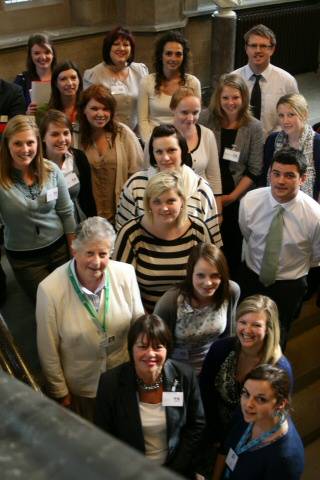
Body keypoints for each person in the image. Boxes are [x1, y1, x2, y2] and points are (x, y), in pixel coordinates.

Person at [36, 216, 144, 421]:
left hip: (122, 376)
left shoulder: (126, 274)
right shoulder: (49, 290)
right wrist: (60, 391)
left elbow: (138, 326)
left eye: (103, 254)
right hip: (82, 387)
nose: (96, 262)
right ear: (74, 251)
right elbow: (47, 348)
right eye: (89, 253)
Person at [95, 313, 205, 477]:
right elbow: (103, 435)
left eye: (158, 346)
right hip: (128, 471)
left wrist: (174, 469)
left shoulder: (185, 376)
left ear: (167, 349)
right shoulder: (110, 383)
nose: (151, 354)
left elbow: (196, 424)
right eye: (143, 346)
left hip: (175, 469)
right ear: (131, 349)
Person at [237, 147, 320, 348]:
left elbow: (316, 257)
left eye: (289, 175)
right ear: (269, 174)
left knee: (278, 334)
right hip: (252, 276)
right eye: (276, 174)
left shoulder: (315, 216)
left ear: (302, 178)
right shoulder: (250, 201)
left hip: (289, 285)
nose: (280, 181)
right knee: (246, 329)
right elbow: (247, 234)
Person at [199, 295, 293, 445]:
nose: (247, 330)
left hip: (248, 437)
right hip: (211, 426)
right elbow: (204, 389)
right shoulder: (221, 348)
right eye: (243, 322)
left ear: (269, 329)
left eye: (256, 325)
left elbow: (276, 413)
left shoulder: (280, 368)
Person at [0, 115, 75, 302]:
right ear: (7, 145)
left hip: (60, 250)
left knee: (69, 299)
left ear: (37, 144)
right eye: (18, 144)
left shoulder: (51, 171)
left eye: (30, 143)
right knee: (46, 304)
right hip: (26, 259)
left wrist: (73, 249)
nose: (25, 150)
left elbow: (66, 213)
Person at [113, 171, 213, 312]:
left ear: (182, 201)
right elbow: (119, 286)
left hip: (192, 314)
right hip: (146, 316)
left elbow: (211, 276)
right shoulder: (131, 232)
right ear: (148, 204)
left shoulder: (198, 230)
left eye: (171, 201)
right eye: (157, 201)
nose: (164, 208)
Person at [115, 124, 221, 242]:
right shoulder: (135, 185)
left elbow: (211, 241)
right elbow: (122, 232)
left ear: (183, 151)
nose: (165, 158)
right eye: (159, 152)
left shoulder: (202, 188)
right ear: (153, 155)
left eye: (171, 150)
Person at [206, 73, 264, 276]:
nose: (230, 103)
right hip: (208, 193)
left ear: (244, 98)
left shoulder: (254, 127)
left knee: (231, 246)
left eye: (235, 98)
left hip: (237, 195)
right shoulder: (206, 119)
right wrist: (215, 197)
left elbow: (255, 168)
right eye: (225, 98)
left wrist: (232, 197)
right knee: (208, 248)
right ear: (218, 99)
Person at [154, 243, 240, 375]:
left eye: (215, 275)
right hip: (176, 371)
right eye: (201, 275)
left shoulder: (230, 291)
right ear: (190, 273)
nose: (208, 283)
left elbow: (228, 336)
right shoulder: (170, 302)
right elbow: (157, 346)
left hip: (214, 367)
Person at [212, 364, 304, 480]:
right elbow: (225, 449)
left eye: (261, 399)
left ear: (281, 404)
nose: (248, 404)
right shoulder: (246, 413)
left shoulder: (285, 458)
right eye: (246, 393)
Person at [79, 84, 143, 223]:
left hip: (122, 214)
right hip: (87, 218)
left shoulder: (123, 133)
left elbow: (137, 174)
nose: (100, 114)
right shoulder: (75, 137)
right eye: (94, 108)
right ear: (84, 110)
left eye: (105, 109)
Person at [233, 24, 298, 137]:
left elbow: (297, 115)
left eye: (263, 46)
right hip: (238, 142)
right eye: (253, 45)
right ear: (246, 49)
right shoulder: (233, 79)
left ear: (272, 49)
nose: (258, 50)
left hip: (275, 143)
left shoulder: (287, 81)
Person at [138, 30, 201, 143]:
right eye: (168, 53)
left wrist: (181, 143)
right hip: (153, 141)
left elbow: (195, 119)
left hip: (183, 140)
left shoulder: (193, 83)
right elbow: (143, 121)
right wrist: (152, 144)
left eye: (178, 54)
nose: (173, 58)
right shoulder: (146, 82)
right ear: (161, 56)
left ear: (184, 57)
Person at [83, 26, 148, 132]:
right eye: (116, 44)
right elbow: (88, 111)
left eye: (126, 44)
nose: (121, 48)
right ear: (108, 47)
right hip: (105, 133)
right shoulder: (93, 75)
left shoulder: (140, 71)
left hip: (136, 134)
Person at [40, 109, 96, 222]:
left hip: (77, 222)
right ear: (43, 137)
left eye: (66, 133)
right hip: (49, 228)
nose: (62, 140)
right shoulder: (35, 165)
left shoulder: (79, 158)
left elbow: (88, 198)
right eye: (55, 134)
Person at [263, 93, 320, 201]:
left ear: (304, 114)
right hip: (273, 204)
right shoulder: (272, 140)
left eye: (291, 115)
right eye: (281, 115)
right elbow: (265, 176)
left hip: (308, 209)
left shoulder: (317, 143)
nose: (285, 121)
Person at [170, 86, 222, 202]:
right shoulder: (158, 136)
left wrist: (218, 212)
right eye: (184, 112)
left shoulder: (207, 135)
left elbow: (214, 178)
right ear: (172, 109)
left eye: (195, 113)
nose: (190, 118)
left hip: (201, 203)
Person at [36, 60, 83, 146]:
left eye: (73, 78)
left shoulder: (88, 107)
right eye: (63, 79)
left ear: (79, 81)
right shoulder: (43, 112)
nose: (69, 83)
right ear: (55, 84)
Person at [14, 33, 56, 112]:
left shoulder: (62, 76)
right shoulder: (21, 80)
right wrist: (26, 113)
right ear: (30, 55)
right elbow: (15, 113)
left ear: (53, 54)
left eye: (47, 52)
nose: (43, 57)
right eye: (37, 53)